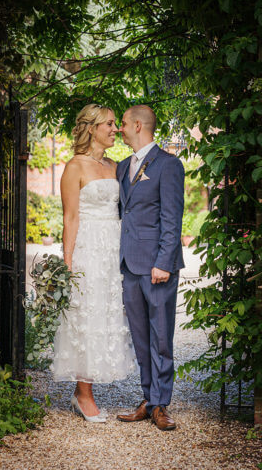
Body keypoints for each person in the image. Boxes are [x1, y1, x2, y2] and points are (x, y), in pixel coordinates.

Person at [51, 103, 136, 423]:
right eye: (110, 124)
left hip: (113, 249)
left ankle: (87, 389)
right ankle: (83, 394)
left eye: (116, 124)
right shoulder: (75, 167)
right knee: (84, 317)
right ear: (92, 129)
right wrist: (68, 262)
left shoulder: (116, 166)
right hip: (87, 248)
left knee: (107, 315)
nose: (115, 129)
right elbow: (70, 217)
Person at [115, 105, 184, 431]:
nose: (120, 129)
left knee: (160, 338)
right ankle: (147, 398)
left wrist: (163, 262)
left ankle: (161, 404)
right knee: (141, 337)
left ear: (138, 125)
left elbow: (172, 218)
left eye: (124, 123)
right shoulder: (121, 167)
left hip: (157, 267)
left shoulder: (169, 166)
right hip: (130, 265)